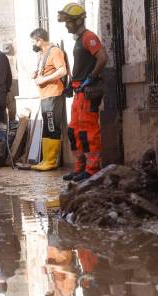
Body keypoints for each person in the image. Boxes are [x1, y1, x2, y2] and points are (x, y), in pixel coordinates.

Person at [58, 3, 108, 182]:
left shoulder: (89, 37)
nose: (66, 25)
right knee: (75, 131)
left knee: (89, 131)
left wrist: (91, 77)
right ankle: (80, 168)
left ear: (78, 20)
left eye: (69, 22)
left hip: (87, 91)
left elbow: (102, 58)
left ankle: (92, 169)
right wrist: (72, 85)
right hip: (79, 90)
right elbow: (81, 66)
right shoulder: (79, 40)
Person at [30, 28, 68, 171]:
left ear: (39, 40)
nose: (33, 44)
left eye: (33, 41)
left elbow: (62, 70)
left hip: (53, 94)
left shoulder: (54, 51)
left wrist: (44, 79)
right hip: (45, 95)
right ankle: (46, 159)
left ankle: (51, 161)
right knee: (47, 126)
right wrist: (36, 74)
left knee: (51, 126)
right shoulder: (43, 53)